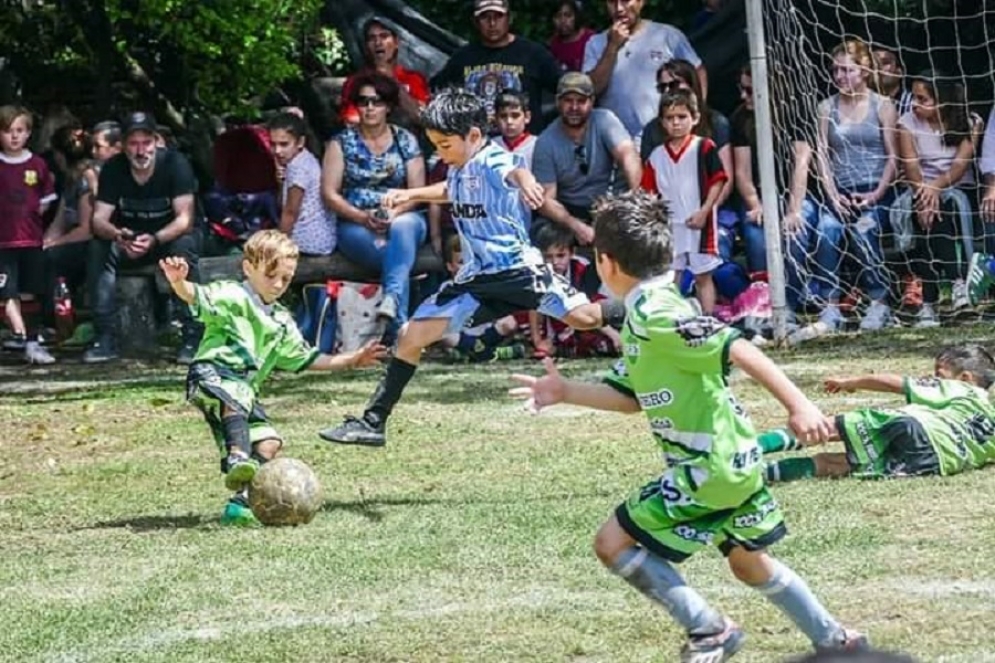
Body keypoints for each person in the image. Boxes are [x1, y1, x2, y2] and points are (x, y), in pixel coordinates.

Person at [509, 189, 867, 660]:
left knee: (611, 543)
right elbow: (630, 398)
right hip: (734, 459)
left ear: (605, 262)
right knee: (748, 563)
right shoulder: (647, 311)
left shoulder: (656, 314)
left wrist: (799, 406)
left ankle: (710, 630)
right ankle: (837, 641)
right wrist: (565, 391)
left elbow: (737, 346)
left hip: (709, 467)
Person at [318, 87, 625, 448]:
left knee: (585, 319)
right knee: (410, 336)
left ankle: (644, 309)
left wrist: (527, 182)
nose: (441, 152)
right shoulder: (459, 167)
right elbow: (451, 189)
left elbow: (513, 170)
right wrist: (410, 194)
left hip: (519, 273)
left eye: (445, 145)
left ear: (474, 136)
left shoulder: (492, 159)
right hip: (476, 282)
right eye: (435, 145)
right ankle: (373, 422)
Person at [159, 230, 385, 526]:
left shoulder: (281, 322)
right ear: (248, 268)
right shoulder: (231, 295)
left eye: (286, 279)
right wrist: (179, 281)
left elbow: (307, 358)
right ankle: (238, 457)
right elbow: (195, 295)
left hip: (243, 390)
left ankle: (240, 504)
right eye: (270, 275)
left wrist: (352, 359)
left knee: (269, 443)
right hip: (212, 374)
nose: (278, 284)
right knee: (236, 396)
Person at [762, 344, 995, 484]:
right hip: (928, 462)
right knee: (837, 464)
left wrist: (850, 382)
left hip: (915, 427)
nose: (934, 379)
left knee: (825, 428)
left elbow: (895, 383)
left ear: (966, 377)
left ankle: (751, 447)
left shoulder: (963, 389)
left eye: (939, 375)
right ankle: (761, 475)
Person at [797, 39, 898, 337]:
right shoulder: (826, 107)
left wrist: (877, 193)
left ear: (864, 70)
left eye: (846, 70)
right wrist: (832, 194)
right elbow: (821, 155)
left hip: (875, 190)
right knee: (826, 230)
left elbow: (894, 156)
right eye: (835, 70)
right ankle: (830, 306)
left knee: (863, 230)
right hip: (840, 191)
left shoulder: (882, 105)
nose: (840, 76)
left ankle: (879, 301)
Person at [84, 111, 202, 364]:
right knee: (98, 248)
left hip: (167, 239)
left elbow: (185, 220)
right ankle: (104, 337)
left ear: (156, 141)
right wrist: (119, 235)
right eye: (133, 143)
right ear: (123, 145)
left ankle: (193, 336)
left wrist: (155, 239)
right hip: (129, 241)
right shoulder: (113, 168)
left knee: (184, 247)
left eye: (146, 143)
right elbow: (98, 220)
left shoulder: (176, 164)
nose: (140, 151)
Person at [322, 72, 427, 339]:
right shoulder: (341, 143)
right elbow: (329, 194)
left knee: (404, 227)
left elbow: (417, 192)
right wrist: (361, 217)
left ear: (388, 106)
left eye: (377, 101)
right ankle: (400, 328)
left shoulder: (405, 140)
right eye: (363, 101)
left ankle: (393, 304)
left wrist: (395, 212)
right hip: (356, 223)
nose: (369, 107)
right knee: (396, 258)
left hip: (403, 214)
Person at [896, 71, 983, 325]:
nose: (915, 104)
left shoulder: (971, 122)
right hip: (920, 189)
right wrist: (925, 194)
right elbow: (911, 167)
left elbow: (960, 166)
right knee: (925, 216)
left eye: (923, 99)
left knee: (942, 209)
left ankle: (930, 301)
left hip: (958, 188)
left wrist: (935, 189)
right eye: (914, 97)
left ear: (942, 100)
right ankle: (956, 286)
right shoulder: (906, 122)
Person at [640, 90, 728, 315]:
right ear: (662, 122)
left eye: (682, 117)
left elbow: (718, 180)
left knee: (703, 276)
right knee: (671, 276)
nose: (676, 123)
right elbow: (648, 194)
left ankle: (708, 320)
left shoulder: (704, 147)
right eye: (670, 118)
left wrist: (705, 211)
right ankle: (673, 320)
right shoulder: (656, 156)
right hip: (671, 225)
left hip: (700, 223)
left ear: (695, 118)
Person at [531, 71, 642, 246]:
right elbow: (546, 200)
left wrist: (637, 197)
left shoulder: (605, 119)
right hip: (571, 211)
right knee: (543, 231)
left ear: (592, 101)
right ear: (557, 102)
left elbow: (628, 154)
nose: (574, 107)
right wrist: (575, 225)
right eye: (568, 101)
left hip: (611, 203)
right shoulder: (545, 142)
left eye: (581, 101)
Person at [583, 0, 704, 147]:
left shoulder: (667, 35)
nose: (619, 8)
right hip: (618, 145)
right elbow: (592, 89)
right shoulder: (595, 44)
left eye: (626, 1)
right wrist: (612, 46)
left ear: (641, 2)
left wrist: (696, 113)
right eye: (612, 2)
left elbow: (698, 72)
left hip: (666, 138)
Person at [431, 0, 562, 135]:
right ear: (475, 22)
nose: (492, 23)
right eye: (485, 17)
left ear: (509, 18)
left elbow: (565, 90)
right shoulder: (462, 58)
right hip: (477, 143)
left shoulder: (533, 54)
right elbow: (435, 94)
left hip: (524, 143)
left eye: (498, 16)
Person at [0, 105, 57, 364]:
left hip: (31, 241)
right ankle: (20, 334)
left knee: (30, 293)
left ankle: (32, 343)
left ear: (28, 133)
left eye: (19, 130)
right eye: (7, 131)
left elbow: (45, 202)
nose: (14, 136)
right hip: (3, 243)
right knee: (6, 292)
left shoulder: (38, 165)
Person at [531, 221, 620, 359]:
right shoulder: (540, 271)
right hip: (557, 316)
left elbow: (590, 305)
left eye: (560, 255)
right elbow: (534, 305)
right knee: (512, 320)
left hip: (585, 314)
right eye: (548, 257)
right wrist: (538, 340)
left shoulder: (583, 269)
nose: (554, 262)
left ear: (572, 253)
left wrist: (614, 335)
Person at [435, 233, 526, 363]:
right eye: (461, 262)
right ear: (450, 266)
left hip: (485, 334)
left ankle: (472, 353)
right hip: (460, 335)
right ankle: (492, 353)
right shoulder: (447, 288)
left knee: (509, 322)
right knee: (443, 333)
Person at [43, 124, 98, 334]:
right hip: (73, 239)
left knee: (54, 258)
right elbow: (60, 221)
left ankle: (55, 321)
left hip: (90, 243)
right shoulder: (70, 180)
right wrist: (45, 242)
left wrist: (54, 245)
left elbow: (86, 229)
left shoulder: (88, 178)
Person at [339, 16, 430, 130]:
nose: (378, 42)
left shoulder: (413, 79)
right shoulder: (356, 82)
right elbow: (351, 122)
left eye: (384, 36)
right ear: (367, 47)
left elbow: (423, 118)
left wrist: (392, 82)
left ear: (396, 42)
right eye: (372, 38)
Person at [268, 112, 336, 256]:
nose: (277, 151)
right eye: (273, 144)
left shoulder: (298, 168)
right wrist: (281, 182)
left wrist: (277, 249)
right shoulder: (306, 158)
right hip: (324, 238)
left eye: (284, 144)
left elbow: (290, 212)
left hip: (308, 241)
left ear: (300, 142)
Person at [493, 89, 537, 170]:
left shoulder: (538, 146)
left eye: (515, 116)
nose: (509, 121)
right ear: (496, 119)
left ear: (527, 117)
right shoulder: (491, 147)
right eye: (503, 116)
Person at [548, 0, 596, 73]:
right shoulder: (554, 43)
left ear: (576, 17)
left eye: (568, 15)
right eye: (558, 16)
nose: (563, 21)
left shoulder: (592, 40)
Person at [872, 46, 913, 117]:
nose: (878, 67)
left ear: (899, 72)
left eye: (885, 62)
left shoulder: (912, 103)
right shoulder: (865, 102)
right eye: (874, 63)